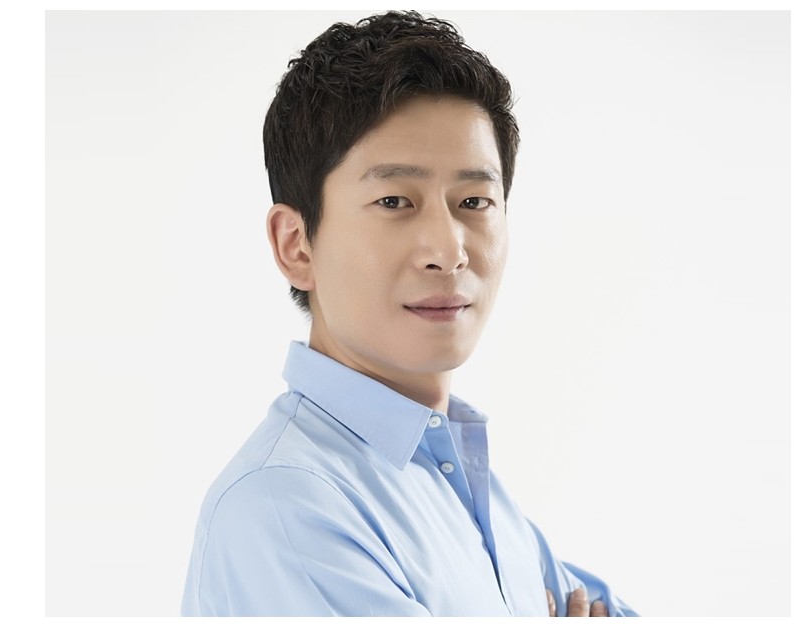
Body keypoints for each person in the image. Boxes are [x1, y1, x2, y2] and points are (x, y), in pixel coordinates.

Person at [181, 11, 636, 617]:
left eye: (474, 201)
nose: (449, 250)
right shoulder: (284, 507)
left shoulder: (469, 488)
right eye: (395, 200)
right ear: (297, 245)